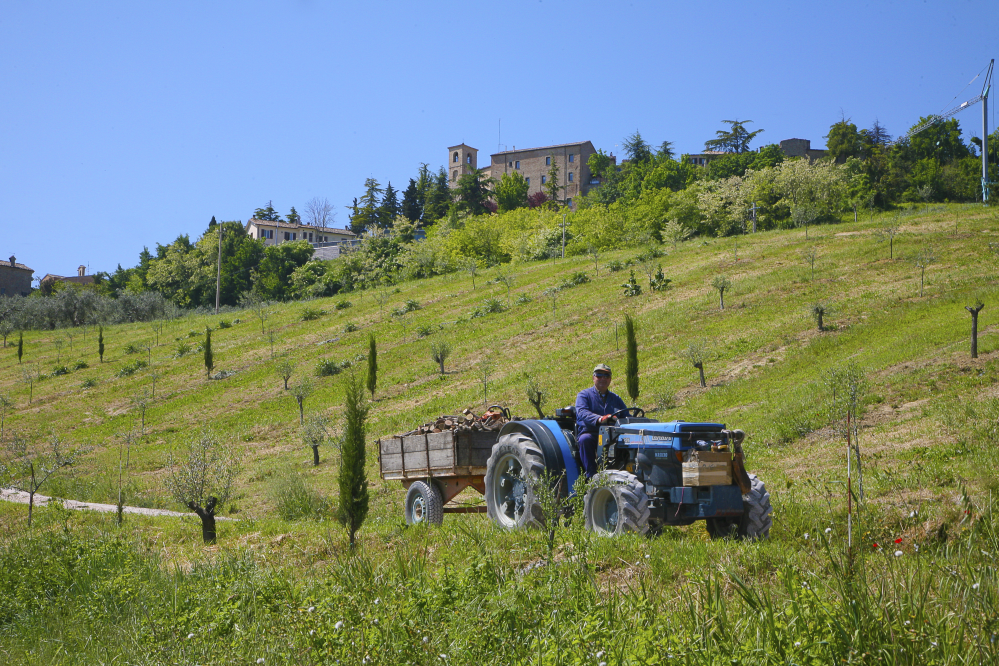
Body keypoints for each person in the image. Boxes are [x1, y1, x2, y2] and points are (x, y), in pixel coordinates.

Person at [575, 363, 628, 478]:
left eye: (606, 376)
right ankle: (591, 476)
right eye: (599, 375)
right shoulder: (584, 395)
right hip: (592, 432)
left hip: (613, 434)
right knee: (585, 440)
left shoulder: (616, 398)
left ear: (610, 379)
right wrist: (600, 419)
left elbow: (626, 415)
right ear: (593, 378)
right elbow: (582, 412)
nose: (603, 378)